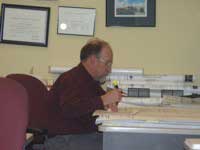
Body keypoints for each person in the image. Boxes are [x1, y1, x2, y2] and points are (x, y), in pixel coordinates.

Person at [45, 38, 122, 150]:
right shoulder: (70, 79)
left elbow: (95, 105)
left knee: (121, 141)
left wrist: (109, 103)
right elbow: (69, 109)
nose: (109, 69)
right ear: (92, 60)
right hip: (64, 138)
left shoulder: (91, 82)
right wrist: (103, 100)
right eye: (107, 63)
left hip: (82, 135)